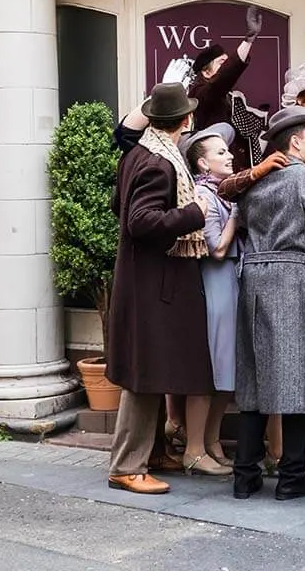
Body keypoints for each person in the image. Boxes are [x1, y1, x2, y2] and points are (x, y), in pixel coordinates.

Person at [229, 105, 305, 501]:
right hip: (294, 277)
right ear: (295, 142)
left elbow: (244, 221)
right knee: (299, 378)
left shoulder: (258, 181)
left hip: (254, 277)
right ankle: (291, 479)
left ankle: (244, 476)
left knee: (254, 377)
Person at [106, 83, 218, 494]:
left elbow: (120, 207)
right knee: (143, 371)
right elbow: (140, 221)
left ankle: (150, 454)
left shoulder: (139, 153)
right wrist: (194, 212)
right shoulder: (159, 163)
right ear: (185, 121)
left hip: (147, 281)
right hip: (155, 283)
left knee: (149, 369)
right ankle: (127, 465)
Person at [179, 123, 243, 476]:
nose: (229, 155)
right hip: (215, 284)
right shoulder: (204, 196)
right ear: (202, 164)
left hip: (229, 284)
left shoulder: (222, 193)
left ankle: (212, 441)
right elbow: (217, 248)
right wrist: (237, 214)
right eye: (220, 152)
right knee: (211, 370)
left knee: (226, 370)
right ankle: (194, 449)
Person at [187, 6, 262, 170]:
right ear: (206, 73)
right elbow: (222, 80)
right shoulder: (200, 93)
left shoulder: (229, 96)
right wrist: (248, 40)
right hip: (216, 170)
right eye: (222, 63)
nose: (227, 66)